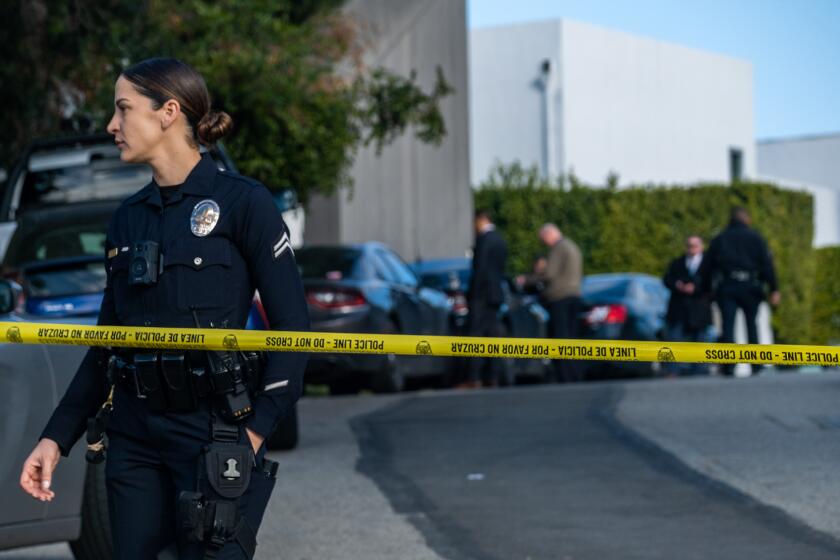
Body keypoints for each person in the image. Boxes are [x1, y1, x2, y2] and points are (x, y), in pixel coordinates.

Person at [18, 58, 310, 559]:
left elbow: (293, 330)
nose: (112, 125)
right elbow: (107, 344)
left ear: (168, 112)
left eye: (123, 109)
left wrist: (256, 431)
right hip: (135, 436)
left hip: (214, 433)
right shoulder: (128, 219)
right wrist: (55, 438)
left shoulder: (244, 204)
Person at [705, 207, 780, 376]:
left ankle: (729, 365)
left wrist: (707, 290)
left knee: (728, 326)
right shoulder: (756, 238)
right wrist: (774, 288)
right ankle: (756, 364)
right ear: (746, 219)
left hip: (727, 286)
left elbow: (708, 267)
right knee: (751, 325)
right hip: (750, 286)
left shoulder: (720, 239)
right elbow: (767, 265)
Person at [517, 223, 583, 383]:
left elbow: (549, 274)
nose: (544, 243)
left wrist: (527, 280)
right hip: (574, 295)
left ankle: (565, 376)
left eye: (543, 239)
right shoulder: (572, 246)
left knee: (560, 339)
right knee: (572, 339)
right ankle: (575, 375)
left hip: (559, 298)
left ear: (549, 235)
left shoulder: (559, 248)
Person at [459, 209, 508, 388]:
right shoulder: (500, 239)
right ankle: (492, 376)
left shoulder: (484, 240)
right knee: (493, 336)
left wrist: (472, 293)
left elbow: (480, 269)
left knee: (475, 336)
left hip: (481, 295)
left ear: (481, 220)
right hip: (495, 295)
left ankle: (474, 377)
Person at [662, 235, 713, 376]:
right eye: (689, 246)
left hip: (699, 308)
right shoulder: (677, 263)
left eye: (695, 246)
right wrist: (678, 284)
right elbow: (667, 279)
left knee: (700, 340)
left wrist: (695, 288)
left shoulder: (708, 264)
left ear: (701, 247)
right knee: (674, 339)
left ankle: (700, 369)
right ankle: (672, 369)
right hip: (679, 308)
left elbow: (712, 284)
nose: (692, 249)